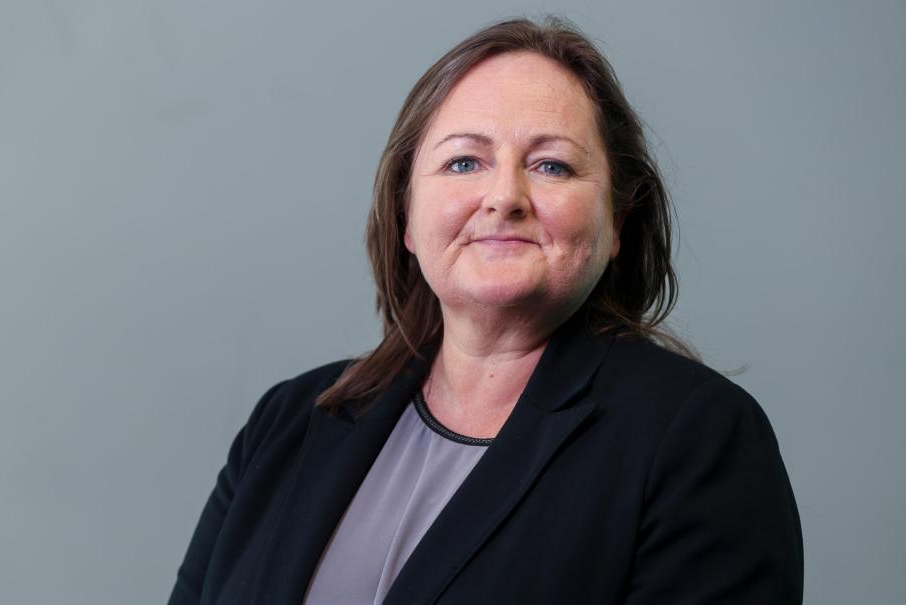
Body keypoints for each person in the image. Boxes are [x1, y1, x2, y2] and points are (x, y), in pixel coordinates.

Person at [168, 16, 803, 605]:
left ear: (616, 225)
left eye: (552, 165)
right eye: (463, 161)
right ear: (407, 219)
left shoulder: (697, 439)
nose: (504, 197)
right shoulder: (288, 422)